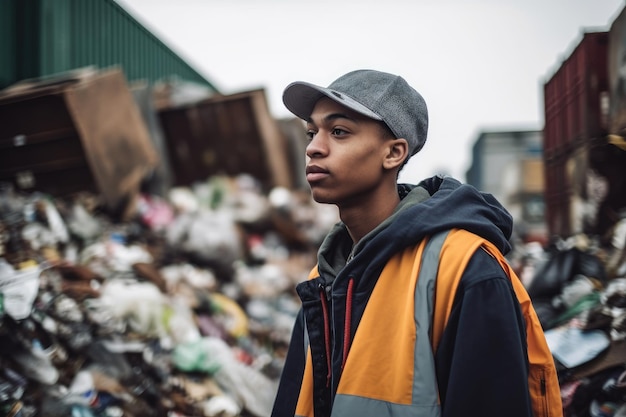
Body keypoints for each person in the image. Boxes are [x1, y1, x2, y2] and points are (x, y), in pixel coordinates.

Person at [271, 69, 561, 417]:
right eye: (311, 133)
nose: (314, 148)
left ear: (393, 153)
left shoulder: (463, 268)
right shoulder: (326, 275)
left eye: (338, 131)